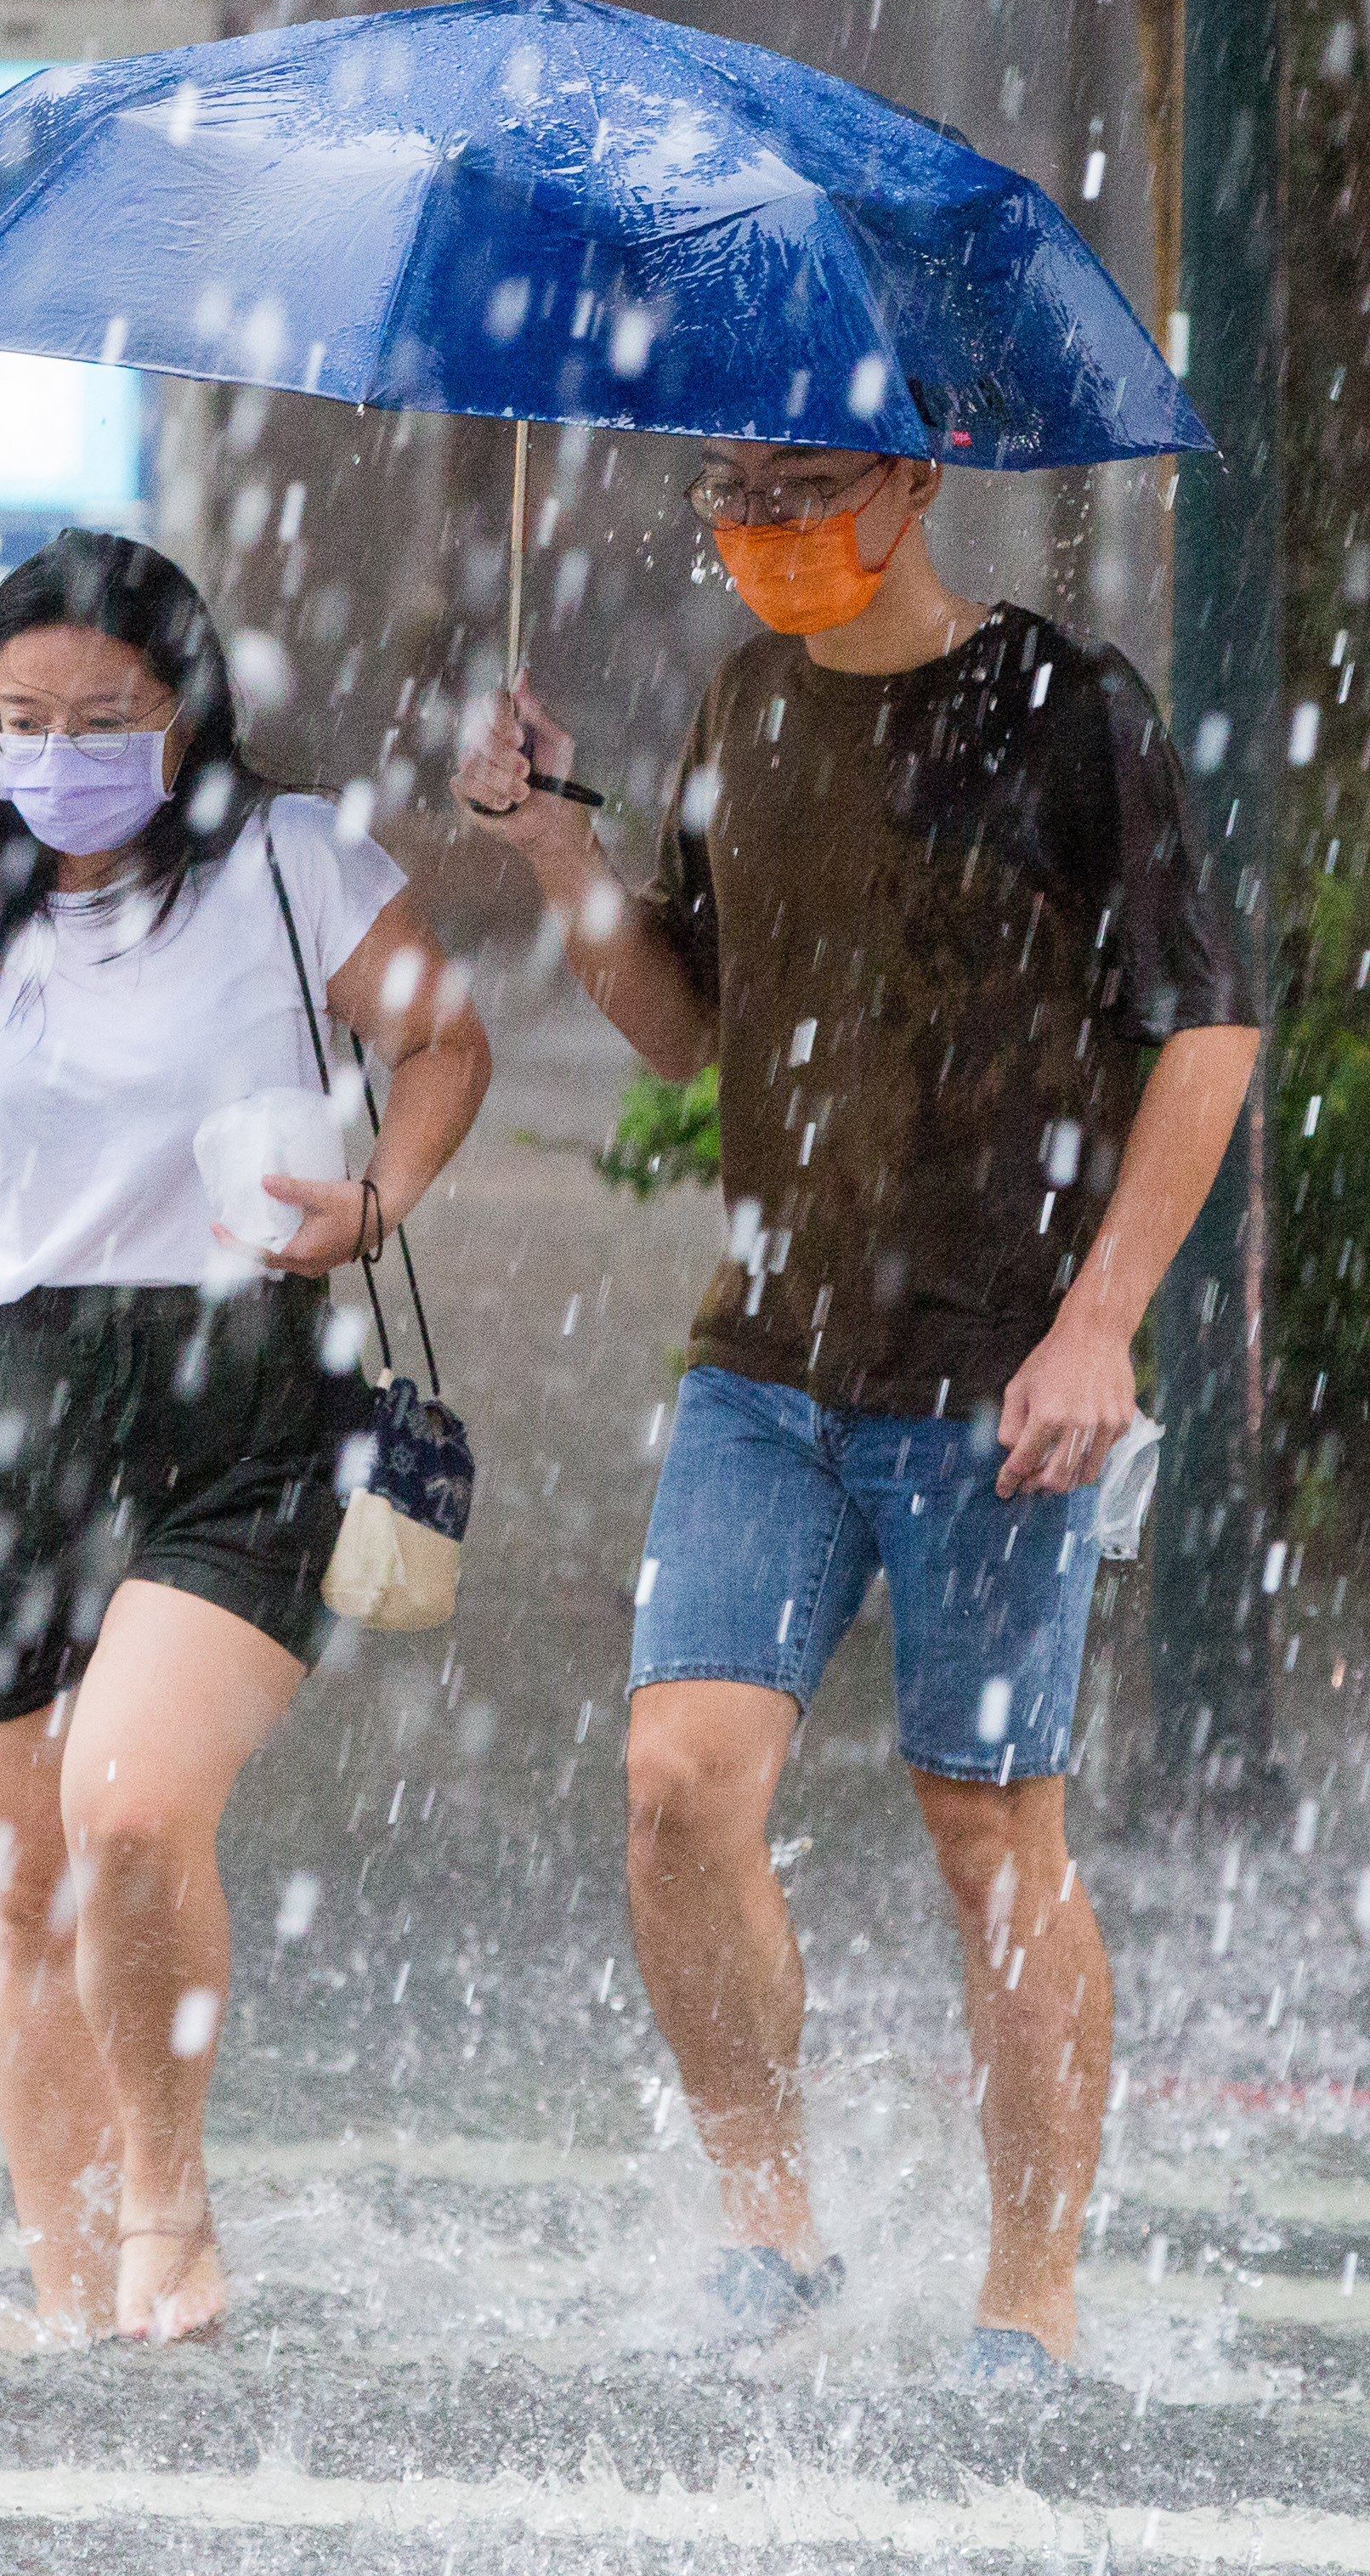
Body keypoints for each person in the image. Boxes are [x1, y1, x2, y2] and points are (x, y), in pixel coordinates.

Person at [454, 439, 1260, 2385]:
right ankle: (769, 2215)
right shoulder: (746, 699)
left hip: (995, 1383)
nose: (764, 532)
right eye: (735, 494)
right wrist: (564, 858)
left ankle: (1032, 2288)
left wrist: (1102, 1323)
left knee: (992, 1840)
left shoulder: (1069, 711)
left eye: (804, 489)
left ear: (907, 485)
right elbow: (686, 1025)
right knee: (676, 1789)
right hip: (771, 1368)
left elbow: (1208, 1025)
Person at [0, 530, 486, 2347]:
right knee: (27, 1882)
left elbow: (446, 1044)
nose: (57, 751)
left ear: (182, 711)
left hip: (244, 1397)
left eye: (101, 715)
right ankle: (68, 2286)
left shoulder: (294, 869)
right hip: (12, 1408)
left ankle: (169, 2208)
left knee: (130, 1811)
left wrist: (377, 1199)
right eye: (20, 718)